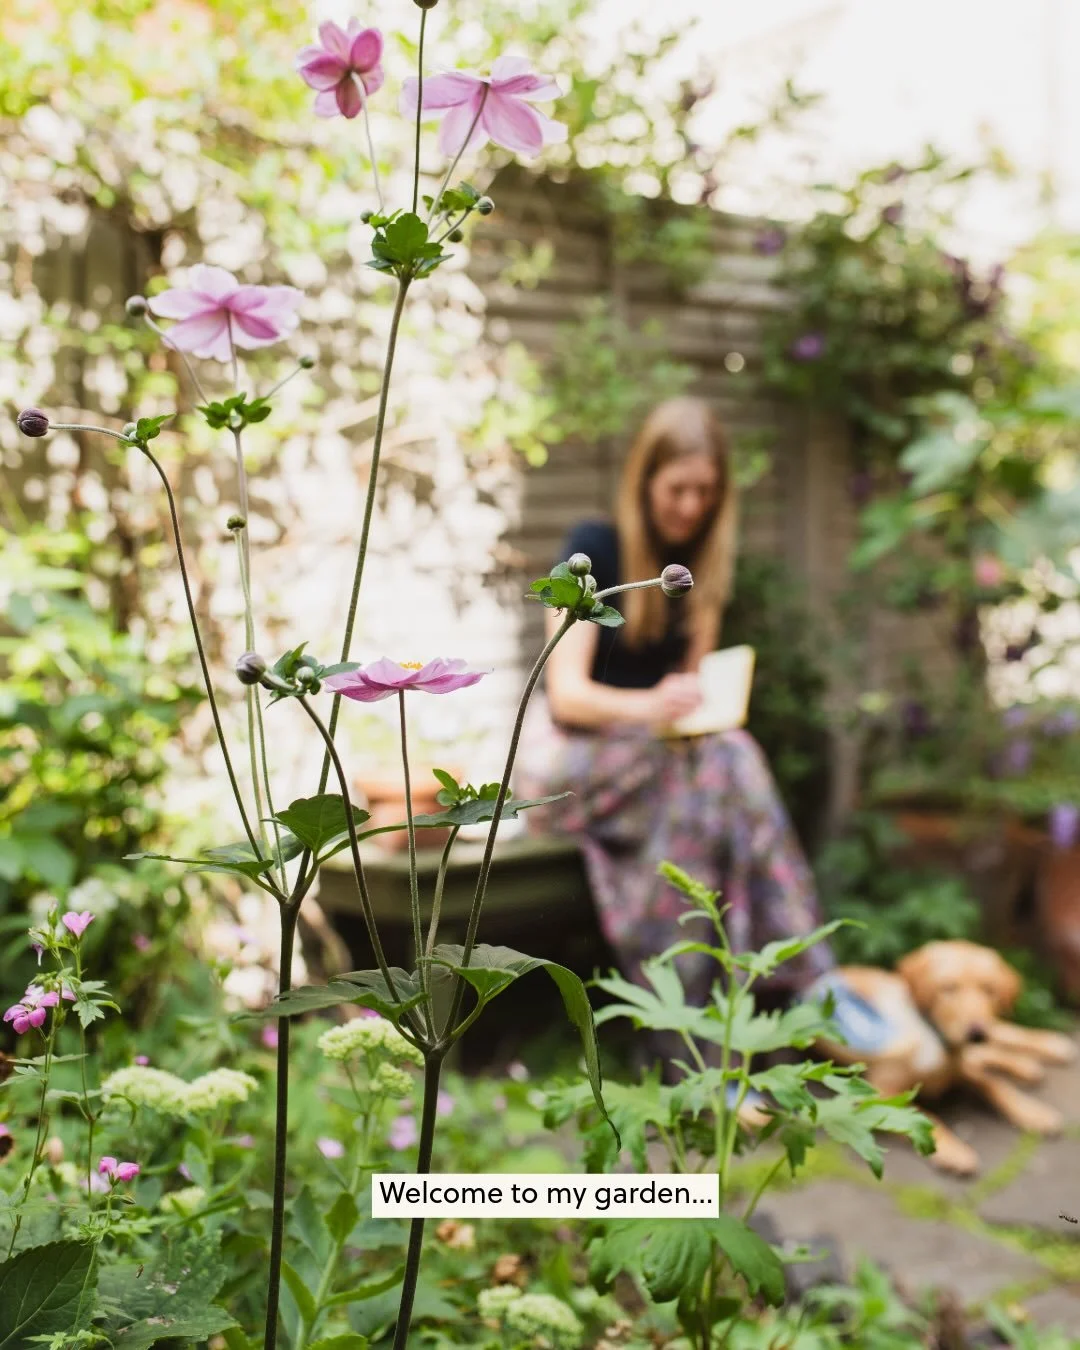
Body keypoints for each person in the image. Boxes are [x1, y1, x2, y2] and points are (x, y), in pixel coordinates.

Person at [513, 397, 837, 1076]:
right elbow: (566, 696)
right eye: (678, 489)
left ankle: (693, 1039)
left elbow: (699, 715)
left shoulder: (700, 573)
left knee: (712, 777)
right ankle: (800, 980)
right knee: (724, 764)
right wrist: (652, 707)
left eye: (706, 493)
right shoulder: (590, 549)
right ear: (644, 480)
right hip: (567, 764)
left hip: (663, 768)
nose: (690, 506)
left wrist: (694, 707)